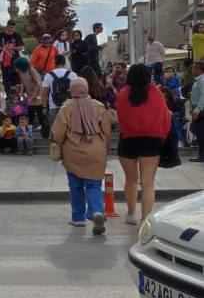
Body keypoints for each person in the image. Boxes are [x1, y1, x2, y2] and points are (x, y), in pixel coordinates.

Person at [51, 78, 111, 234]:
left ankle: (78, 217)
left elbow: (58, 132)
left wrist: (57, 143)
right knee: (94, 185)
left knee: (75, 185)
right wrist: (106, 147)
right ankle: (97, 211)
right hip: (96, 150)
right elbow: (107, 131)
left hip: (73, 150)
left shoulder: (66, 107)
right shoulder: (99, 106)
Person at [115, 63, 172, 224]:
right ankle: (145, 218)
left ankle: (131, 213)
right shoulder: (156, 93)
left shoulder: (123, 94)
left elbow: (120, 116)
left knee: (131, 180)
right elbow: (165, 117)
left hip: (127, 140)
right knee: (148, 182)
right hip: (151, 141)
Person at [40, 54, 78, 130]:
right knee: (69, 129)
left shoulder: (48, 75)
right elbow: (77, 91)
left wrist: (44, 107)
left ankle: (56, 141)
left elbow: (44, 93)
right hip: (69, 105)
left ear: (54, 63)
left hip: (53, 106)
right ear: (64, 63)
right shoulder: (72, 75)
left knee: (55, 130)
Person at [0, 20, 23, 93]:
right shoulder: (1, 35)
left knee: (16, 77)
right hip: (4, 60)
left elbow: (21, 47)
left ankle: (16, 95)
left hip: (15, 59)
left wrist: (12, 48)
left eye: (13, 27)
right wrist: (2, 48)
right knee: (6, 77)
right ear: (7, 26)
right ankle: (8, 94)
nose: (11, 29)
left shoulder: (17, 35)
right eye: (10, 27)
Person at [188, 60, 204, 162]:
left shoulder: (202, 80)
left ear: (199, 69)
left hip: (201, 109)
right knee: (197, 130)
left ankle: (202, 155)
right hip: (196, 107)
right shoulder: (198, 80)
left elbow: (203, 96)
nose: (192, 70)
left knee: (201, 132)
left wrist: (197, 110)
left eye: (194, 68)